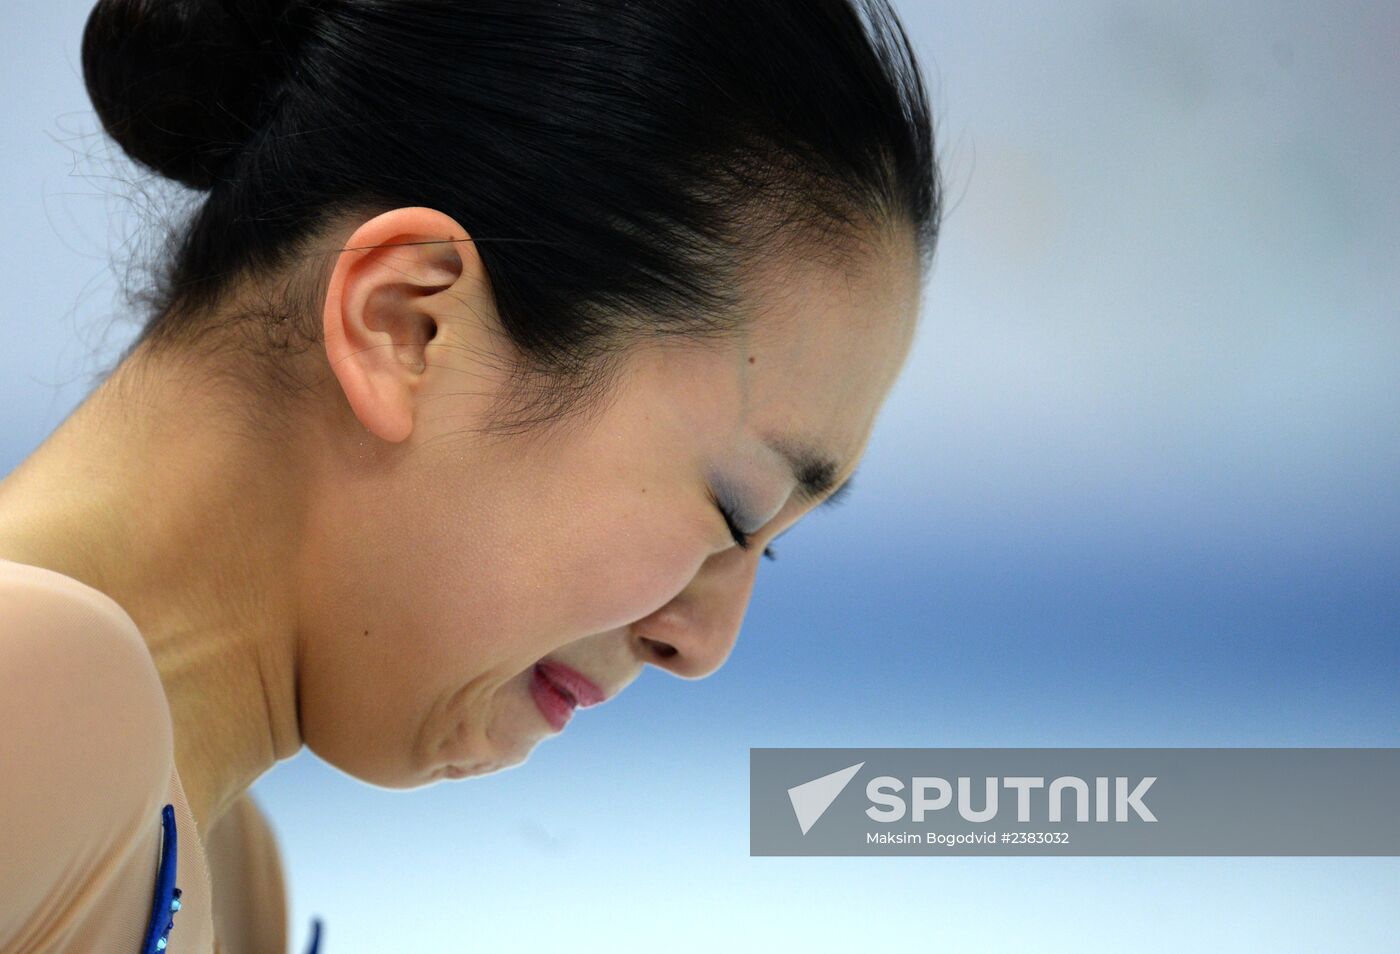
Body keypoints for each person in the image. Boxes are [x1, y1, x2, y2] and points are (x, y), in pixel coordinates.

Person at [0, 0, 942, 950]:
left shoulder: (224, 871)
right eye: (736, 510)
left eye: (765, 554)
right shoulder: (34, 685)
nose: (706, 645)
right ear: (407, 328)